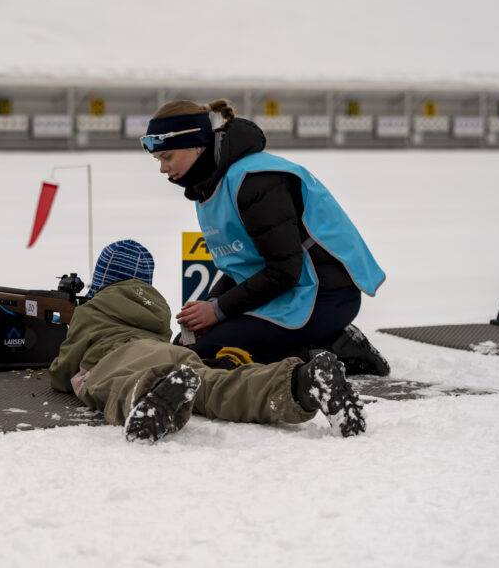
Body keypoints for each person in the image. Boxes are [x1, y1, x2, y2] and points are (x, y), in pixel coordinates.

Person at [139, 98, 389, 375]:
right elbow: (241, 265)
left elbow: (284, 270)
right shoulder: (210, 186)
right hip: (289, 291)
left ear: (196, 144)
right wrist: (211, 305)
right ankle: (314, 345)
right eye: (158, 159)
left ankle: (334, 347)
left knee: (208, 354)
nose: (162, 168)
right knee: (187, 346)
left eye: (167, 157)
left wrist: (220, 310)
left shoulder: (255, 181)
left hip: (325, 295)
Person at [47, 239, 368, 442]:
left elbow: (62, 372)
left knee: (118, 384)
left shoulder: (93, 311)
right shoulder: (156, 312)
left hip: (117, 359)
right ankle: (301, 383)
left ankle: (145, 399)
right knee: (217, 386)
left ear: (102, 280)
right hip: (170, 354)